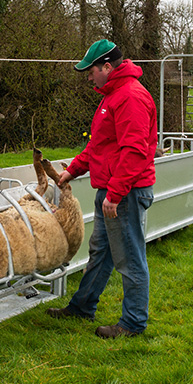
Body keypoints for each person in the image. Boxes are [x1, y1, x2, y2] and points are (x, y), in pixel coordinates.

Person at [47, 39, 157, 338]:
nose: (88, 76)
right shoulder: (112, 97)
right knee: (101, 253)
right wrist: (73, 169)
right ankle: (82, 306)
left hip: (125, 193)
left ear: (107, 67)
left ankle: (133, 323)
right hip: (112, 191)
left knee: (130, 259)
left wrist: (116, 194)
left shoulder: (130, 97)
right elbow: (100, 145)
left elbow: (134, 151)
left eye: (91, 70)